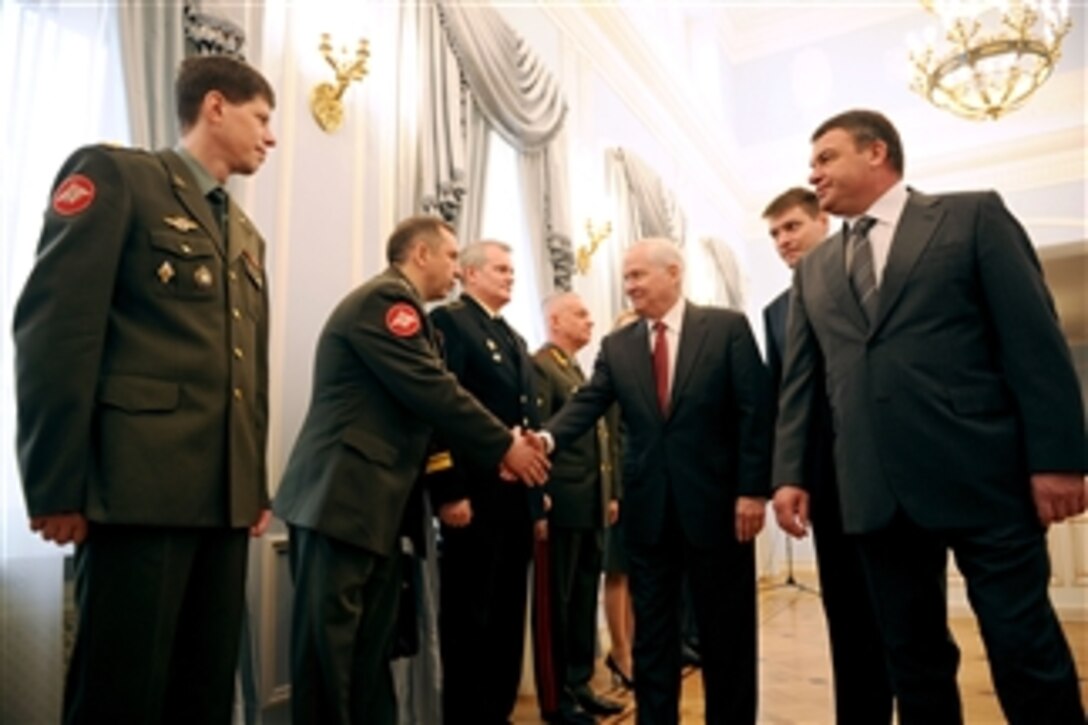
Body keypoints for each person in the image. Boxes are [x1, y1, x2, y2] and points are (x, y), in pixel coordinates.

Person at [773, 108, 1086, 725]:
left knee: (1023, 647)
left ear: (877, 152)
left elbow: (1034, 342)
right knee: (912, 659)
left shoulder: (972, 217)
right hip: (875, 492)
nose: (814, 174)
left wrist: (1059, 459)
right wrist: (790, 474)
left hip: (984, 477)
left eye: (826, 157)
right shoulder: (814, 269)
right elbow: (801, 386)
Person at [12, 55, 276, 724]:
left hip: (222, 502)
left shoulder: (244, 234)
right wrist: (57, 485)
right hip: (135, 492)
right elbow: (55, 333)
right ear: (215, 106)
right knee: (120, 693)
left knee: (203, 690)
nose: (270, 137)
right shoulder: (119, 177)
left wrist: (252, 486)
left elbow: (247, 373)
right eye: (262, 118)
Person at [272, 216, 550, 725]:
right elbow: (434, 391)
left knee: (369, 656)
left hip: (376, 507)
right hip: (341, 498)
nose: (455, 268)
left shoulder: (416, 316)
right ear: (420, 255)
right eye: (450, 257)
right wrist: (503, 446)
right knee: (329, 658)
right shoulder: (386, 303)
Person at [544, 238, 773, 725]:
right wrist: (543, 441)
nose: (628, 287)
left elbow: (755, 413)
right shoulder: (617, 345)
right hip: (648, 516)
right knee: (654, 638)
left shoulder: (726, 329)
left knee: (725, 634)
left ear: (673, 272)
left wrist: (753, 491)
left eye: (637, 276)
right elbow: (586, 406)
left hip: (719, 511)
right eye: (625, 278)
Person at [763, 187, 893, 724]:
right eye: (773, 234)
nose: (783, 241)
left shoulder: (871, 269)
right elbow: (785, 399)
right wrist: (789, 476)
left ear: (824, 220)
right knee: (846, 616)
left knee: (905, 616)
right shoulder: (775, 311)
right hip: (827, 483)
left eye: (792, 226)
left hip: (892, 470)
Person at [532, 292, 624, 724]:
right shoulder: (542, 366)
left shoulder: (576, 370)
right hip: (562, 505)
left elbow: (604, 441)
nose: (591, 321)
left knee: (583, 598)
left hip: (590, 504)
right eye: (581, 314)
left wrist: (610, 492)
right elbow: (539, 438)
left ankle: (580, 680)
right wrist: (540, 497)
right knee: (559, 601)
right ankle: (558, 696)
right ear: (555, 321)